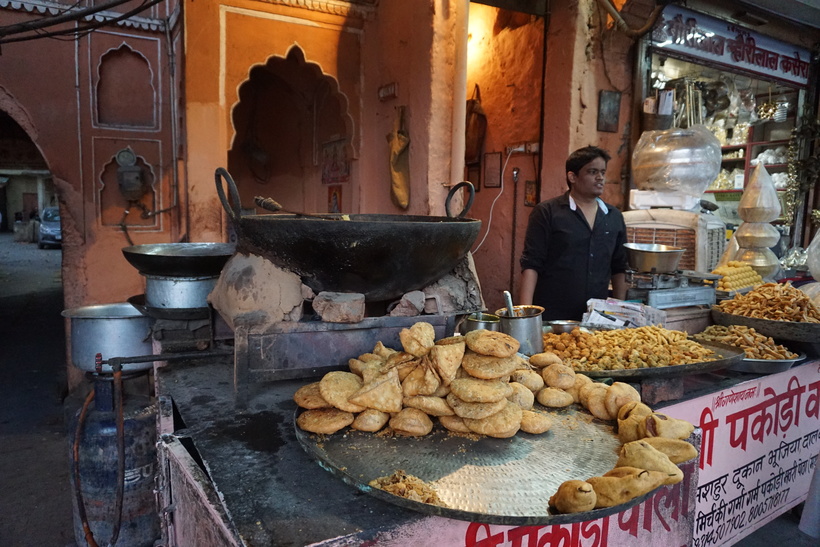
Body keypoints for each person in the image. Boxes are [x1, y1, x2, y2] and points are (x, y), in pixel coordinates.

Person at [519, 145, 629, 321]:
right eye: (592, 172)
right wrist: (525, 315)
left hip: (597, 317)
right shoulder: (547, 212)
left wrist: (618, 313)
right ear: (572, 177)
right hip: (552, 315)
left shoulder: (614, 216)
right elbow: (531, 264)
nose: (600, 177)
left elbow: (620, 267)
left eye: (602, 172)